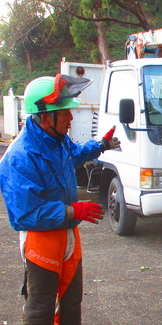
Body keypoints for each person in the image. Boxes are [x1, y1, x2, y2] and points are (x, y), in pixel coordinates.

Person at [0, 74, 120, 325]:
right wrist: (71, 211)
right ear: (45, 117)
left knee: (71, 300)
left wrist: (101, 144)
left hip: (67, 234)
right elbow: (24, 215)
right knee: (41, 308)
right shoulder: (20, 156)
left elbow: (73, 154)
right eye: (65, 112)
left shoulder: (57, 140)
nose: (71, 118)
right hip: (41, 237)